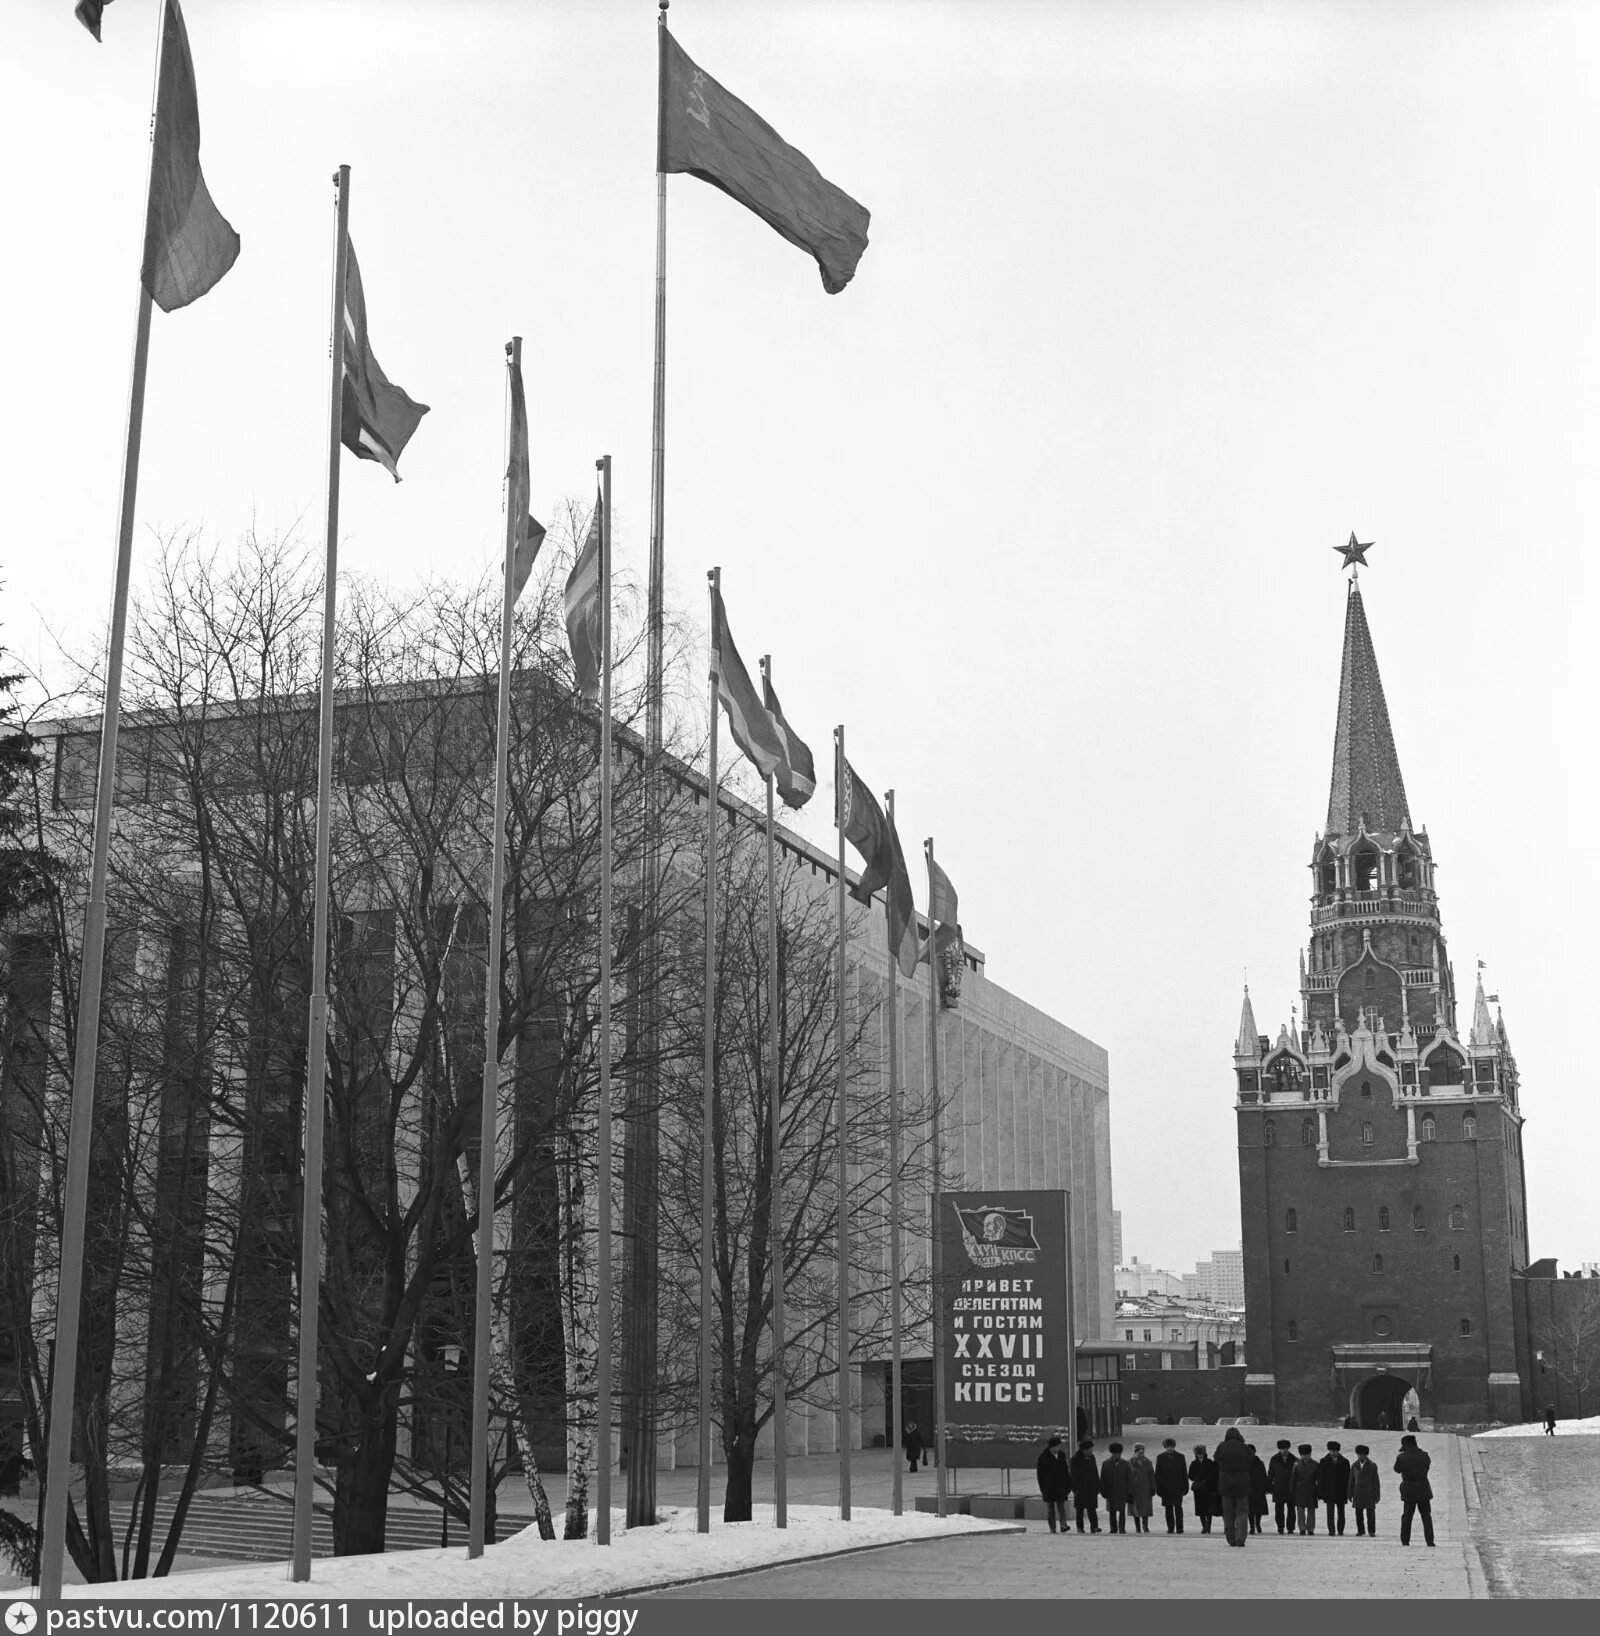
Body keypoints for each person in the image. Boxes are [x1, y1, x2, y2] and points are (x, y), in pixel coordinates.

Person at [1213, 1426, 1254, 1547]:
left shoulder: (1222, 1446)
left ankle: (1231, 1539)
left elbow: (1216, 1459)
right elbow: (1251, 1460)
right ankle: (1241, 1539)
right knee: (1242, 1513)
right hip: (1242, 1484)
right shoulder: (1244, 1447)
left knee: (1228, 1513)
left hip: (1226, 1485)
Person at [1394, 1433, 1435, 1546]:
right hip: (1423, 1488)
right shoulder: (1425, 1455)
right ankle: (1430, 1541)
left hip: (1409, 1490)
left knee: (1407, 1516)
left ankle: (1405, 1541)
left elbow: (1397, 1469)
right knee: (1426, 1516)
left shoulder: (1401, 1457)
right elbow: (1427, 1467)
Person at [1037, 1434, 1072, 1535]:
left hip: (1061, 1486)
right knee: (1050, 1509)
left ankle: (1063, 1525)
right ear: (1052, 1447)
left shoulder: (1061, 1456)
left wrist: (1068, 1485)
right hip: (1049, 1488)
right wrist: (1042, 1488)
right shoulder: (1043, 1458)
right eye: (1057, 1446)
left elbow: (1066, 1472)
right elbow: (1040, 1474)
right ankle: (1052, 1528)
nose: (1059, 1448)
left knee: (1061, 1507)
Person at [1155, 1436, 1189, 1533]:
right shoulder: (1160, 1457)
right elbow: (1158, 1474)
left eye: (1172, 1446)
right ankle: (1170, 1527)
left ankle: (1179, 1527)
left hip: (1178, 1486)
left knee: (1178, 1508)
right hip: (1166, 1487)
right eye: (1168, 1447)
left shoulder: (1181, 1457)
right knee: (1168, 1508)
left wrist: (1186, 1487)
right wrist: (1158, 1488)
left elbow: (1184, 1473)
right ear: (1165, 1447)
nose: (1170, 1448)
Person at [1070, 1436, 1102, 1533]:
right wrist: (1075, 1489)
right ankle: (1080, 1528)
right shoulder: (1075, 1459)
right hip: (1080, 1488)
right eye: (1090, 1449)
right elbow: (1073, 1476)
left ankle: (1094, 1527)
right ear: (1084, 1450)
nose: (1092, 1451)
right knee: (1080, 1510)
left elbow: (1095, 1472)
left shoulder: (1092, 1458)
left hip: (1091, 1487)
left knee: (1092, 1509)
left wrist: (1098, 1485)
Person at [1318, 1440, 1351, 1536]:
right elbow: (1320, 1478)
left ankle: (1340, 1530)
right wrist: (1320, 1492)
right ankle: (1331, 1530)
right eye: (1331, 1451)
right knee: (1330, 1512)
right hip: (1329, 1491)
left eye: (1335, 1451)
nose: (1333, 1453)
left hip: (1341, 1490)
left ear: (1338, 1451)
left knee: (1341, 1512)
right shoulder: (1324, 1461)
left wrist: (1348, 1492)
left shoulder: (1345, 1462)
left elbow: (1348, 1478)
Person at [1347, 1443, 1380, 1537]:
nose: (1360, 1456)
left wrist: (1377, 1495)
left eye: (1363, 1454)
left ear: (1366, 1455)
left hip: (1369, 1492)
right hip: (1357, 1492)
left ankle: (1371, 1530)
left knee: (1370, 1513)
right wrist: (1349, 1494)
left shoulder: (1372, 1465)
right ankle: (1361, 1530)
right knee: (1358, 1513)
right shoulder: (1354, 1465)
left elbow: (1376, 1481)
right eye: (1359, 1454)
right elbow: (1351, 1481)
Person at [1100, 1441, 1131, 1534]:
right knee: (1112, 1511)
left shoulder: (1125, 1464)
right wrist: (1103, 1491)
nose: (1116, 1455)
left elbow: (1129, 1479)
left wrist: (1129, 1491)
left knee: (1122, 1511)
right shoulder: (1106, 1463)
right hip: (1110, 1490)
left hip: (1122, 1490)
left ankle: (1122, 1528)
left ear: (1120, 1453)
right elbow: (1103, 1478)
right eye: (1114, 1453)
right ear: (1111, 1453)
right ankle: (1113, 1528)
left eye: (1118, 1453)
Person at [1267, 1438, 1297, 1534]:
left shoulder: (1294, 1459)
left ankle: (1290, 1527)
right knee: (1279, 1508)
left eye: (1286, 1448)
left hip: (1290, 1487)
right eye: (1283, 1449)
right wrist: (1270, 1487)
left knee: (1291, 1508)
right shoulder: (1274, 1459)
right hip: (1278, 1487)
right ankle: (1280, 1526)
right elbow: (1271, 1474)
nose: (1285, 1450)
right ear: (1279, 1449)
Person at [1188, 1443, 1219, 1535]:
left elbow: (1214, 1475)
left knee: (1208, 1509)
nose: (1200, 1455)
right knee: (1200, 1509)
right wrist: (1197, 1478)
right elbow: (1190, 1476)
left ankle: (1208, 1526)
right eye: (1198, 1453)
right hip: (1199, 1489)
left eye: (1201, 1453)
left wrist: (1207, 1481)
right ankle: (1204, 1526)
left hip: (1208, 1488)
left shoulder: (1209, 1462)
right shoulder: (1194, 1464)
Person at [1290, 1443, 1320, 1535]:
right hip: (1299, 1489)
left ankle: (1310, 1528)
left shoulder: (1315, 1464)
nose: (1305, 1456)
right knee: (1300, 1510)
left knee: (1311, 1510)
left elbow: (1319, 1479)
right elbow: (1293, 1478)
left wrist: (1319, 1492)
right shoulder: (1296, 1464)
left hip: (1311, 1488)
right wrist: (1291, 1490)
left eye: (1306, 1454)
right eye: (1303, 1454)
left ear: (1310, 1454)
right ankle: (1302, 1528)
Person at [1128, 1444, 1156, 1534]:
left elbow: (1152, 1475)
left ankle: (1145, 1525)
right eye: (1139, 1452)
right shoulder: (1130, 1462)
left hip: (1145, 1488)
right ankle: (1137, 1527)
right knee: (1135, 1508)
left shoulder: (1147, 1462)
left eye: (1142, 1452)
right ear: (1135, 1452)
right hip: (1134, 1489)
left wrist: (1153, 1487)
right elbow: (1127, 1476)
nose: (1141, 1453)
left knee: (1145, 1508)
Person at [1246, 1443, 1269, 1534]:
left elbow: (1264, 1476)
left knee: (1258, 1509)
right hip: (1248, 1488)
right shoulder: (1244, 1462)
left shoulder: (1260, 1463)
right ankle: (1252, 1526)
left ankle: (1258, 1524)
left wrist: (1266, 1487)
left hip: (1259, 1488)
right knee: (1250, 1510)